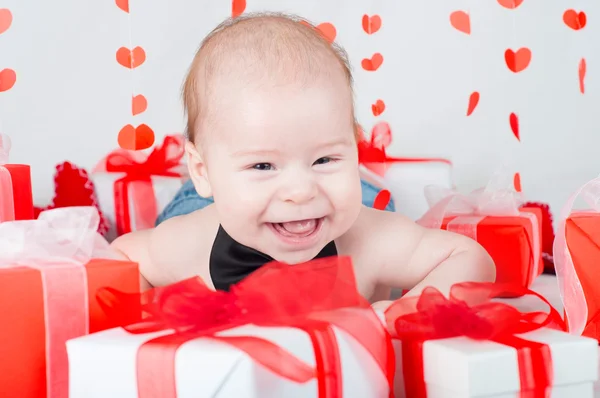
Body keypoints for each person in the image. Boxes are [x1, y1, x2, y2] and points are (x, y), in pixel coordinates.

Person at [111, 12, 495, 307]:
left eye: (326, 158)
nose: (299, 191)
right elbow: (122, 256)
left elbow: (470, 259)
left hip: (339, 204)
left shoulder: (370, 240)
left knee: (361, 198)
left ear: (354, 147)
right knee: (204, 200)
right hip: (207, 205)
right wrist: (154, 315)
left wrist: (398, 313)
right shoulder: (185, 244)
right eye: (263, 165)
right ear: (201, 170)